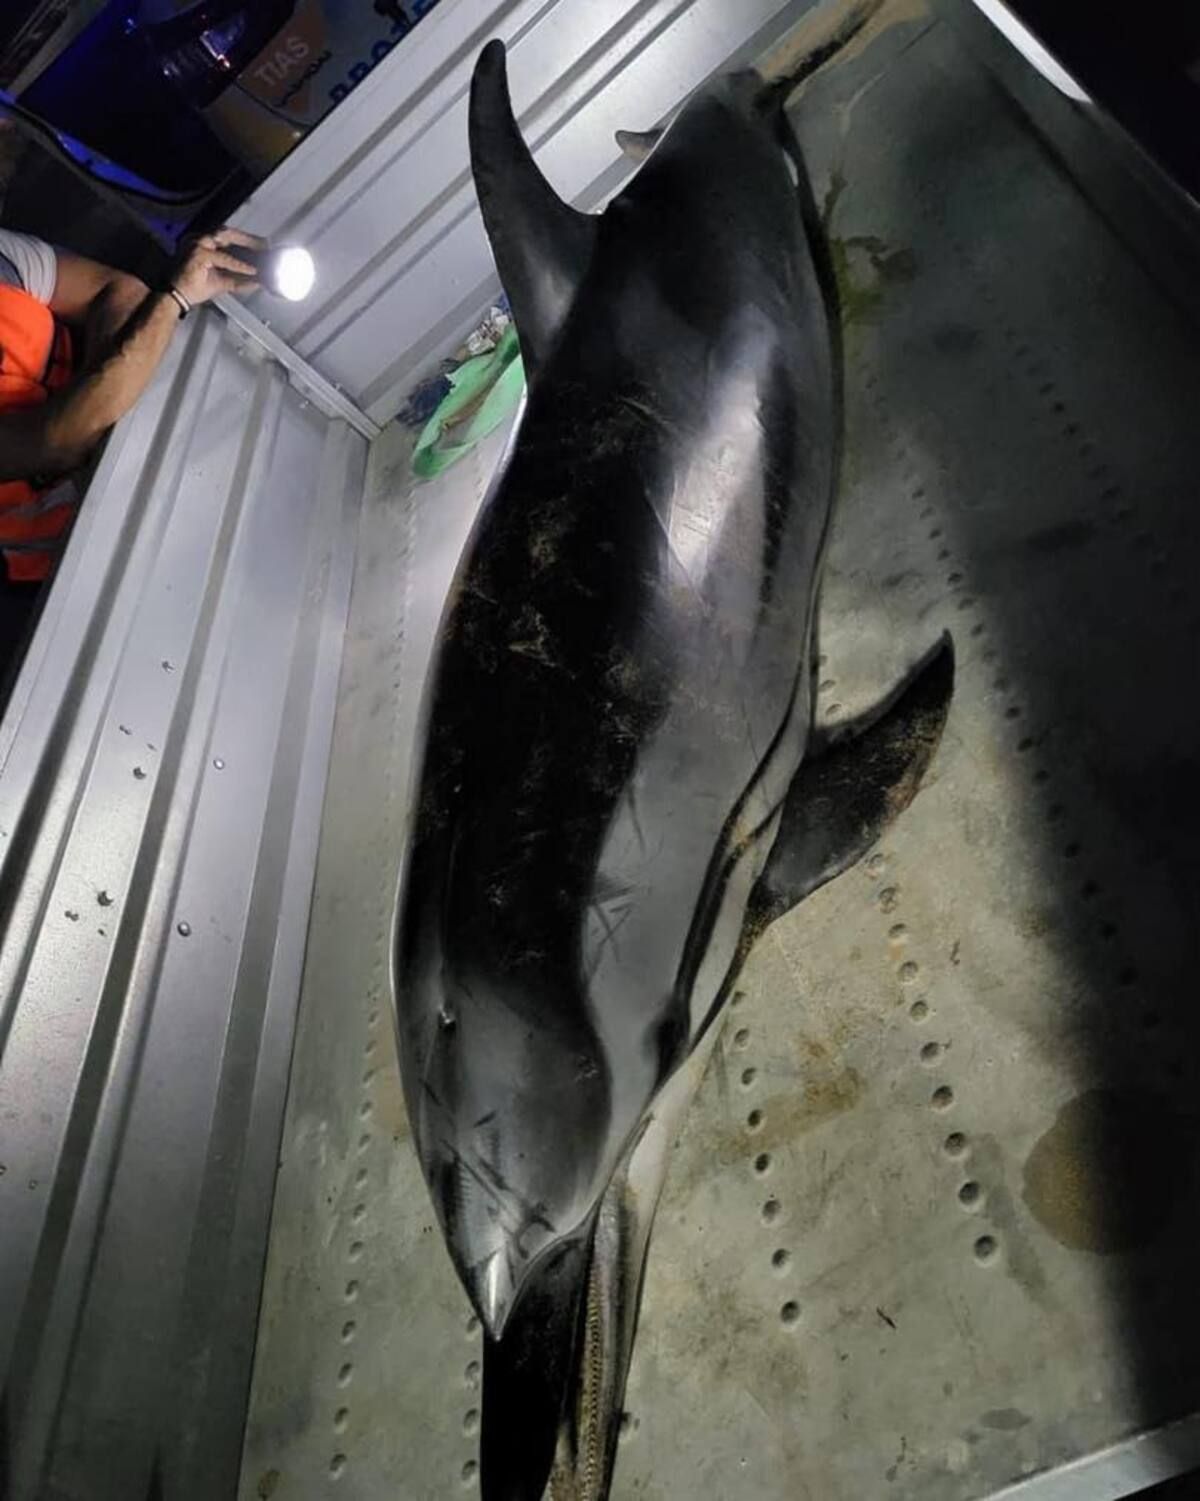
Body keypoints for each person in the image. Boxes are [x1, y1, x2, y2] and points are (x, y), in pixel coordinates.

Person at [0, 225, 261, 695]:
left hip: (150, 444)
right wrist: (173, 302)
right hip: (73, 568)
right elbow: (60, 439)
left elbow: (118, 290)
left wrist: (106, 391)